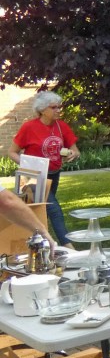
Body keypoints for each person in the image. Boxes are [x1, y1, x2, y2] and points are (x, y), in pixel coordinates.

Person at [6, 91, 79, 247]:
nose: (58, 110)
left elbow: (75, 150)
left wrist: (73, 154)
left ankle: (41, 243)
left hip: (54, 174)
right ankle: (68, 247)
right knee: (54, 210)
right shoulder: (29, 127)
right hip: (33, 176)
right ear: (42, 109)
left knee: (43, 209)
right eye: (54, 107)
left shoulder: (61, 126)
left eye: (59, 107)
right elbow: (12, 152)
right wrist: (29, 165)